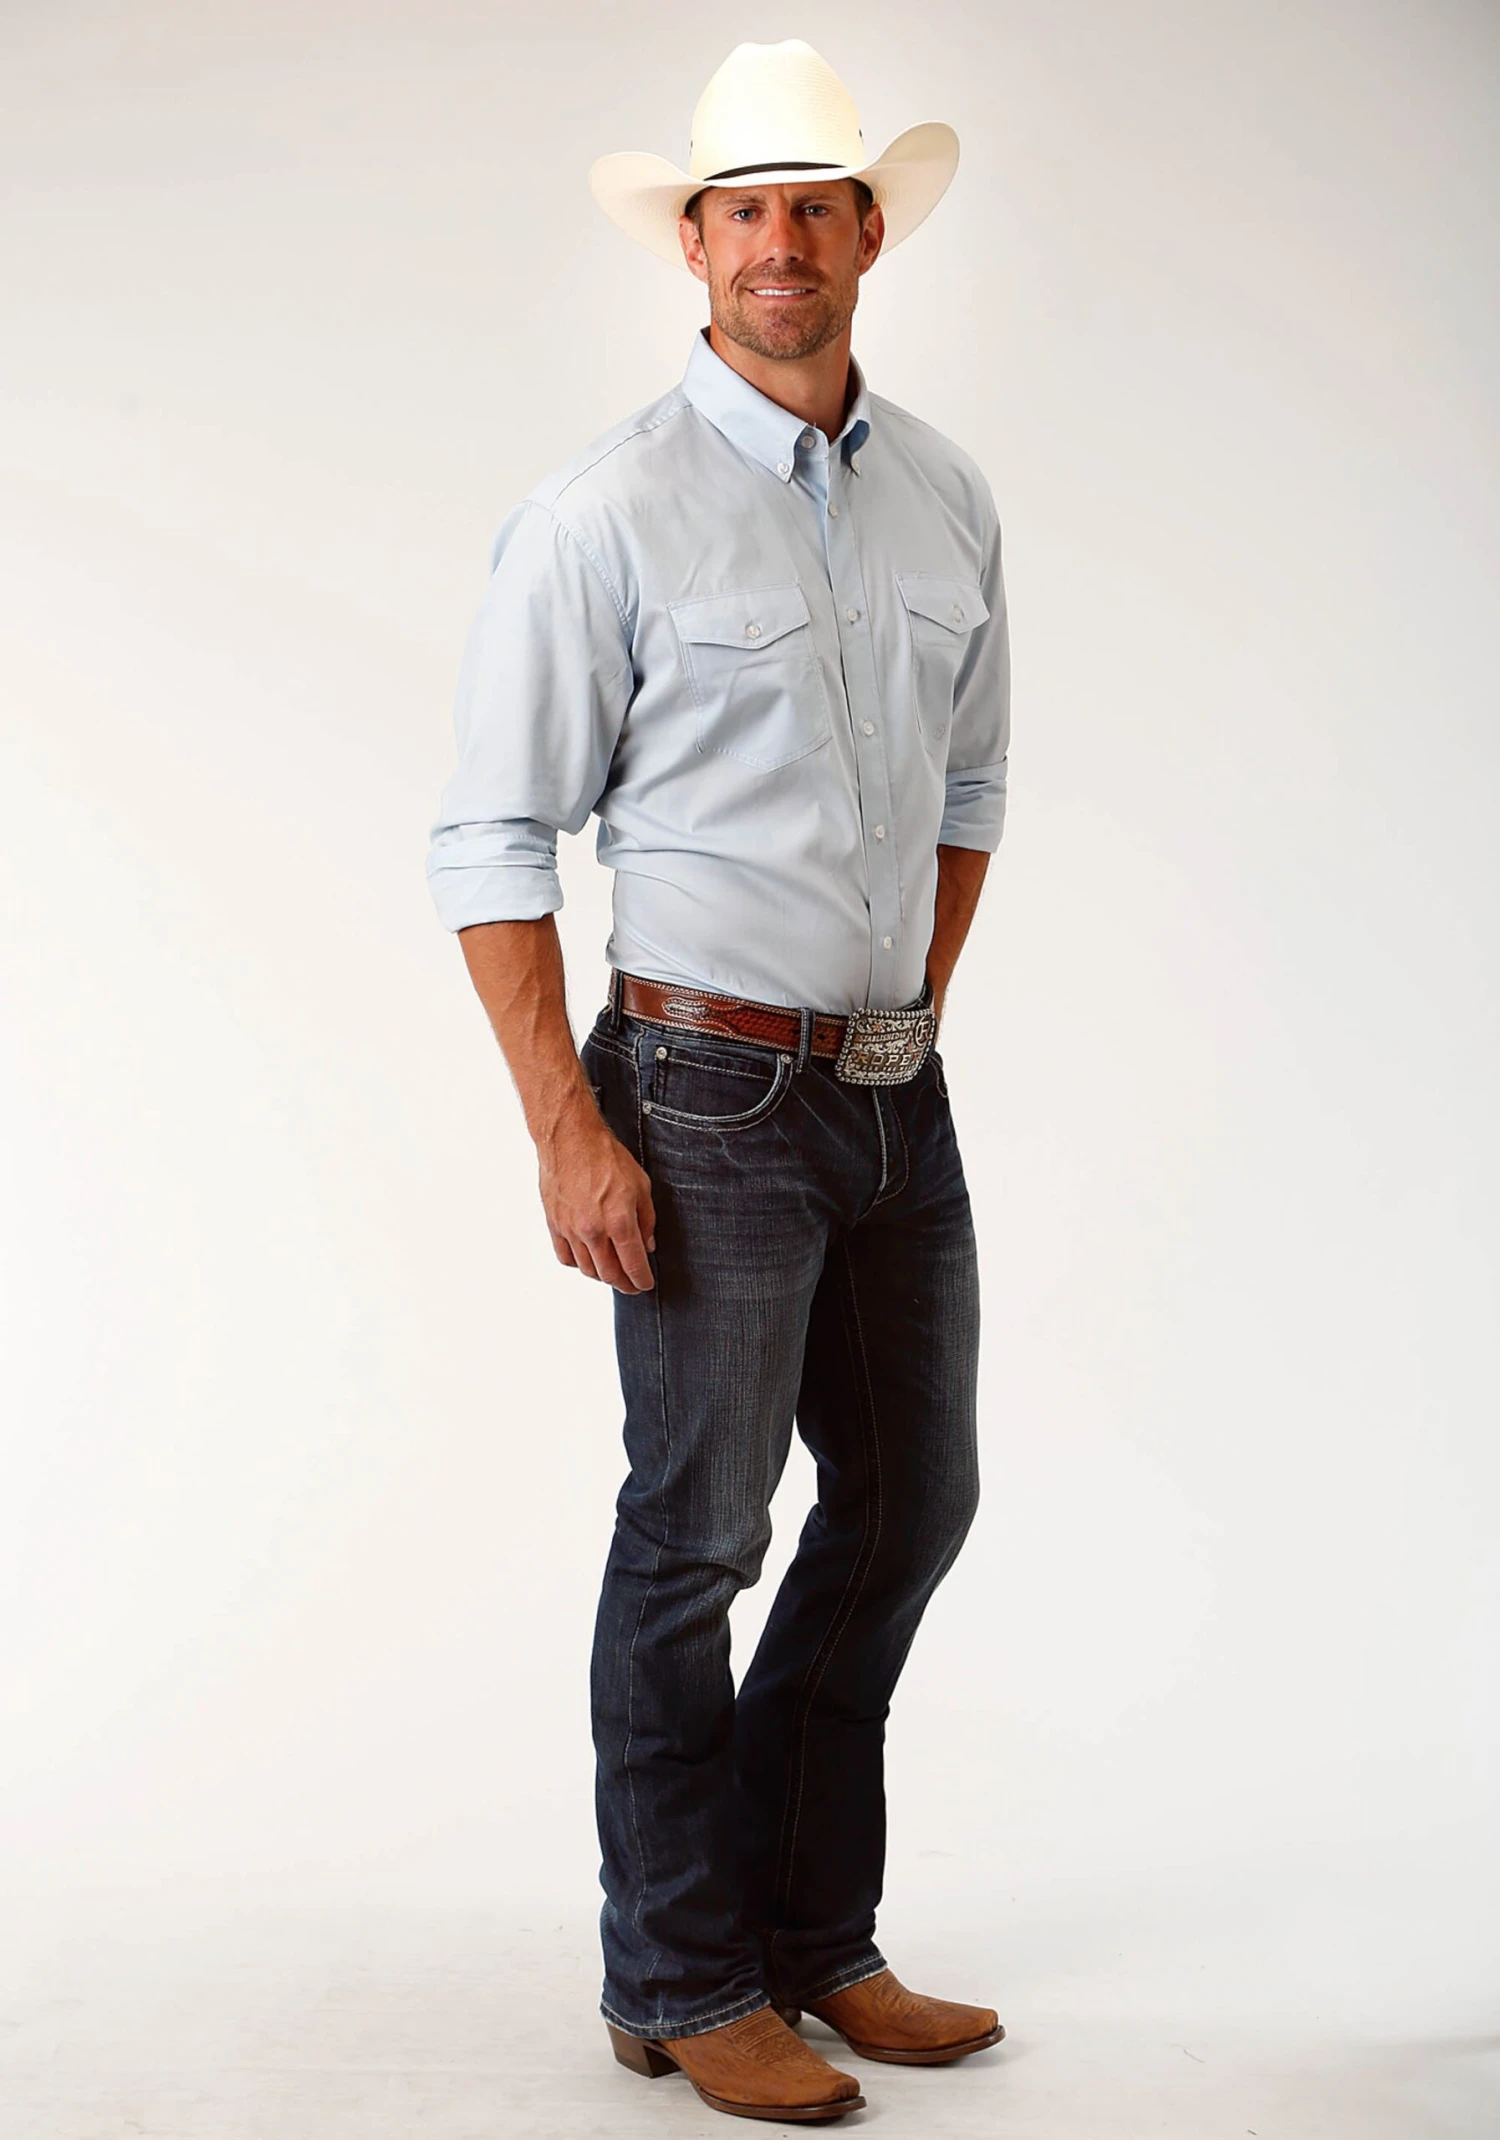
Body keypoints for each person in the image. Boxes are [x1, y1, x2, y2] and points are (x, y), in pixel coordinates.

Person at [425, 36, 1011, 2125]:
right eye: (744, 209)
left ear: (869, 237)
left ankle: (810, 1933)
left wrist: (901, 1019)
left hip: (894, 1094)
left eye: (815, 208)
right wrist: (567, 1129)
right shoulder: (603, 515)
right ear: (693, 245)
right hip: (697, 1097)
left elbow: (969, 790)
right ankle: (677, 1971)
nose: (782, 242)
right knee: (696, 1535)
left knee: (913, 1500)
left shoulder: (946, 493)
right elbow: (492, 842)